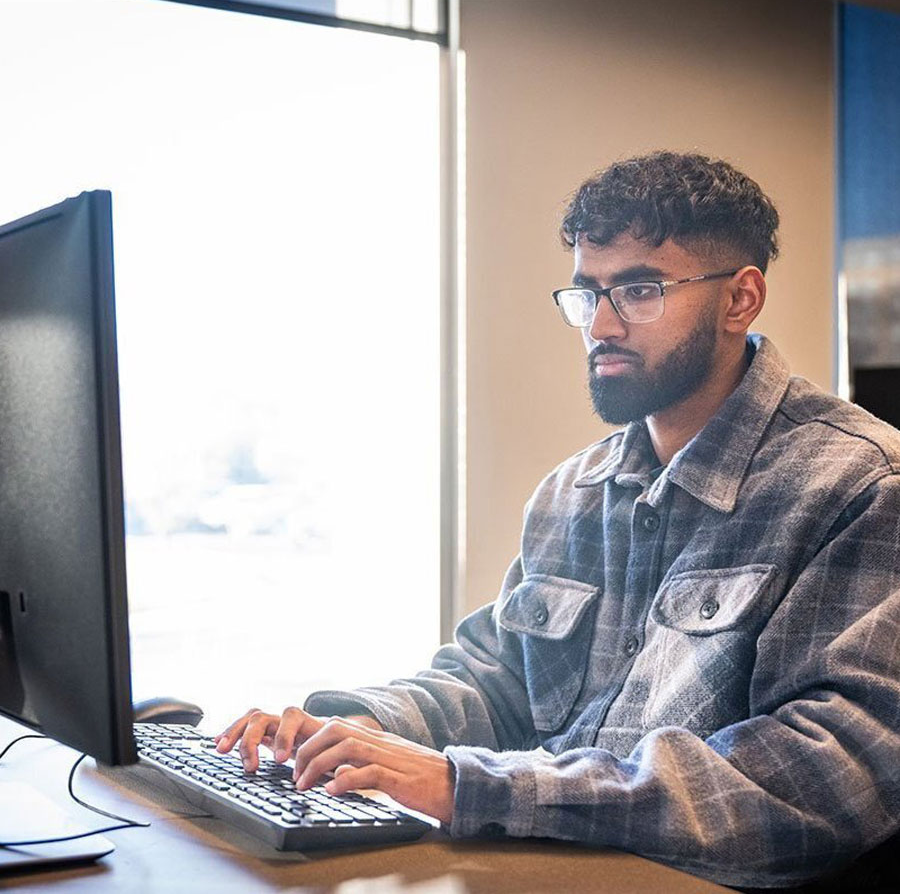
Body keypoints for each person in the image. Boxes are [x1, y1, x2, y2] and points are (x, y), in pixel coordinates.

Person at [215, 152, 900, 890]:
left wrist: (470, 785)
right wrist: (361, 731)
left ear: (740, 299)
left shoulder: (861, 484)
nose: (601, 325)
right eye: (587, 294)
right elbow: (498, 679)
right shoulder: (572, 491)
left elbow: (826, 777)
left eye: (639, 289)